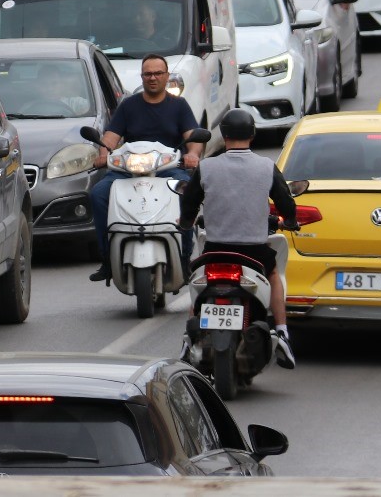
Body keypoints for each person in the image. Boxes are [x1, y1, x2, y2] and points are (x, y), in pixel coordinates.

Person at [177, 109, 298, 369]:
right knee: (274, 273)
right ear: (252, 134)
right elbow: (285, 201)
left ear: (224, 135)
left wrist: (186, 222)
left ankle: (188, 340)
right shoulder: (266, 167)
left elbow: (190, 202)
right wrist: (290, 220)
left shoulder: (207, 167)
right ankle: (282, 332)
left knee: (199, 285)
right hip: (254, 252)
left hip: (215, 250)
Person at [88, 53, 202, 282]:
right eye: (148, 74)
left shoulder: (179, 105)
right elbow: (110, 136)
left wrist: (192, 154)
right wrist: (103, 154)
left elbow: (193, 136)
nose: (152, 78)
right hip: (129, 168)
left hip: (168, 168)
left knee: (187, 191)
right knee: (98, 194)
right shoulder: (129, 105)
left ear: (167, 76)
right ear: (141, 77)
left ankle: (184, 256)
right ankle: (108, 258)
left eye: (158, 73)